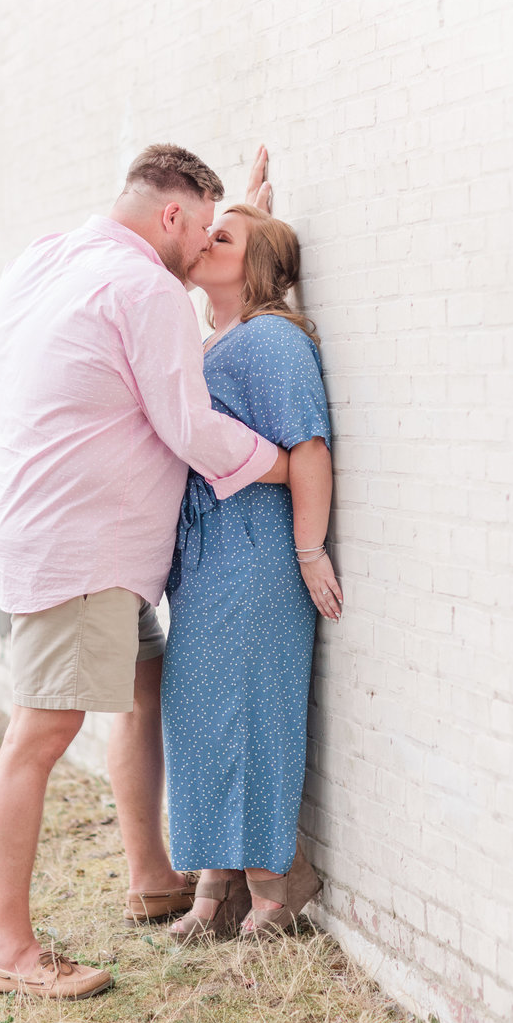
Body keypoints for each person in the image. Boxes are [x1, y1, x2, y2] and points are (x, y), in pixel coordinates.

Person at [0, 145, 287, 999]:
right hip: (85, 554)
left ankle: (152, 874)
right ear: (172, 217)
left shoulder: (46, 257)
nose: (199, 257)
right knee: (39, 737)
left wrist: (244, 226)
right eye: (202, 235)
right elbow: (190, 425)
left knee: (146, 682)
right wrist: (290, 464)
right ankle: (13, 952)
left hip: (38, 530)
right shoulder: (145, 288)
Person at [158, 202, 343, 942]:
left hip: (256, 559)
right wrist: (249, 202)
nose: (205, 240)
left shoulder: (272, 340)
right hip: (206, 565)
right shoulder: (216, 339)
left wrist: (310, 550)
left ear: (257, 265)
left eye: (222, 236)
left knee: (252, 717)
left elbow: (309, 449)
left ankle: (273, 893)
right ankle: (215, 886)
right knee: (200, 715)